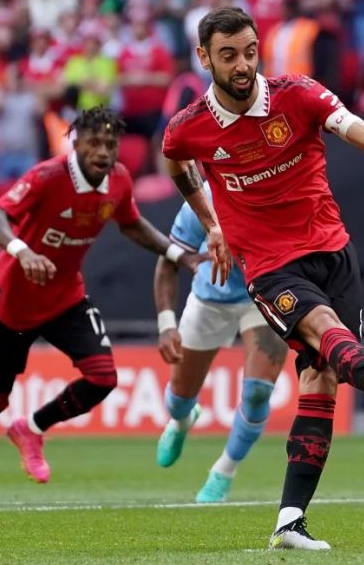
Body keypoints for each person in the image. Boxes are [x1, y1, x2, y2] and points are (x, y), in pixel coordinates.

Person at [161, 6, 364, 550]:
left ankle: (289, 521)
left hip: (334, 251)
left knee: (320, 380)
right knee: (325, 329)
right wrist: (211, 221)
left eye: (249, 51)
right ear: (204, 58)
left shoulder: (299, 94)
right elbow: (177, 165)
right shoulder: (187, 129)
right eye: (228, 55)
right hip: (268, 266)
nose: (242, 65)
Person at [0, 107, 199, 506]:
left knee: (103, 378)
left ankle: (32, 429)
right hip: (12, 302)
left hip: (64, 297)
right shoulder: (48, 176)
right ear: (75, 142)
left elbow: (131, 223)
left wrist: (178, 253)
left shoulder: (119, 180)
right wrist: (23, 252)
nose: (103, 152)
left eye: (110, 144)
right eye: (94, 143)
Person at [152, 184, 290, 503]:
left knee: (258, 392)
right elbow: (168, 261)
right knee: (178, 398)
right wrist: (166, 324)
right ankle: (182, 419)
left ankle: (223, 472)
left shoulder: (285, 188)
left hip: (265, 296)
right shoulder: (204, 200)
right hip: (210, 299)